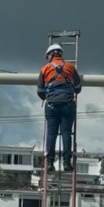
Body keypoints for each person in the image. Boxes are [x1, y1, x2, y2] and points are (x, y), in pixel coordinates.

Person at [37, 44, 82, 173]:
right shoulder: (70, 67)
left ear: (50, 56)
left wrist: (49, 95)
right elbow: (78, 88)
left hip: (52, 105)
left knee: (51, 134)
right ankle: (67, 163)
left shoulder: (45, 69)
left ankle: (50, 162)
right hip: (68, 105)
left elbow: (40, 91)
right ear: (60, 54)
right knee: (66, 133)